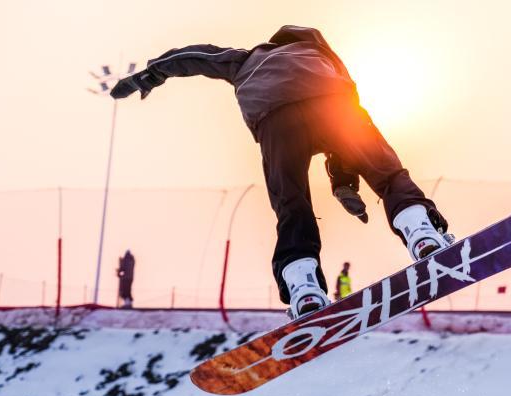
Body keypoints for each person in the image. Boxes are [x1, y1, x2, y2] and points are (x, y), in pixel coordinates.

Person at [111, 25, 452, 319]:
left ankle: (304, 287)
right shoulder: (322, 55)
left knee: (292, 206)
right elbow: (350, 132)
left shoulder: (246, 58)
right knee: (386, 173)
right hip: (333, 103)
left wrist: (152, 73)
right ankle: (420, 231)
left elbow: (198, 56)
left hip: (275, 120)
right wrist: (343, 182)